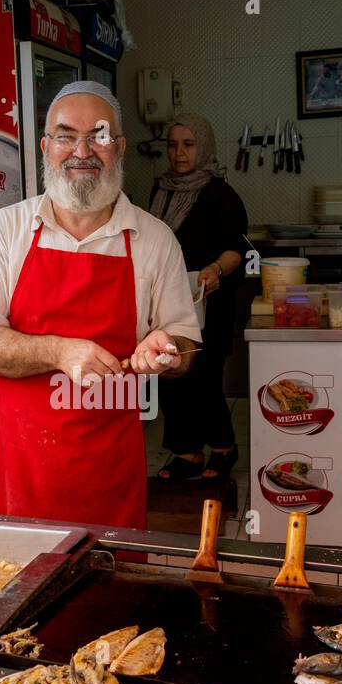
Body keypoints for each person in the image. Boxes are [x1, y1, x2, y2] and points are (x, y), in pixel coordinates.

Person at [0, 81, 201, 529]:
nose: (82, 151)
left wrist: (166, 349)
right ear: (47, 147)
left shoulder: (154, 239)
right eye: (67, 136)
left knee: (112, 589)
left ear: (120, 147)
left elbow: (185, 346)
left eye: (100, 136)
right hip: (23, 472)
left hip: (110, 471)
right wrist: (59, 352)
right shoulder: (7, 230)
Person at [148, 113, 248, 481]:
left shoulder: (220, 194)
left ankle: (223, 448)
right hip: (167, 300)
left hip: (208, 299)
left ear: (202, 146)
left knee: (204, 378)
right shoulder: (160, 190)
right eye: (172, 145)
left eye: (188, 145)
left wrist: (216, 270)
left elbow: (237, 249)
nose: (179, 153)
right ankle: (186, 452)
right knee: (170, 373)